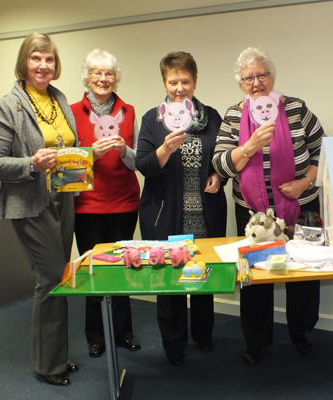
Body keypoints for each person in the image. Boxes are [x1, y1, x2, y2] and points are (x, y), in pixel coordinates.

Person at [212, 47, 325, 365]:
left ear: (272, 77)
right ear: (241, 84)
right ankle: (256, 340)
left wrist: (305, 182)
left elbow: (322, 149)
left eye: (262, 75)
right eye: (248, 78)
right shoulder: (234, 115)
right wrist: (249, 146)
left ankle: (301, 333)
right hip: (252, 213)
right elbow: (221, 164)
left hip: (301, 206)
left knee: (303, 271)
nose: (256, 83)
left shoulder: (296, 108)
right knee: (255, 275)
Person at [0, 33, 79, 386]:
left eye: (49, 59)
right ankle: (48, 365)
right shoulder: (6, 106)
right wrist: (31, 164)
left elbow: (69, 143)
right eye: (36, 58)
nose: (43, 65)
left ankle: (57, 355)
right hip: (30, 201)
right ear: (24, 62)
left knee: (61, 277)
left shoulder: (59, 98)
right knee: (50, 278)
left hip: (64, 196)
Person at [135, 52, 227, 366]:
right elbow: (143, 165)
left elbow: (224, 157)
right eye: (173, 81)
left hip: (204, 212)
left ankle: (203, 334)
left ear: (195, 81)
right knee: (169, 280)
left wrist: (219, 176)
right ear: (164, 82)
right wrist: (165, 148)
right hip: (166, 215)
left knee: (202, 274)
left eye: (185, 81)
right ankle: (173, 343)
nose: (179, 88)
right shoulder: (153, 119)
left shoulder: (211, 117)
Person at [70, 49, 141, 358]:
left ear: (116, 78)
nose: (103, 78)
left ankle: (124, 332)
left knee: (124, 268)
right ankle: (96, 335)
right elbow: (66, 166)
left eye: (108, 73)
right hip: (87, 206)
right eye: (96, 73)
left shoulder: (130, 111)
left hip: (125, 203)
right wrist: (91, 155)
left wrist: (125, 151)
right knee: (93, 271)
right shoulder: (72, 112)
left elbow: (139, 162)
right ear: (87, 77)